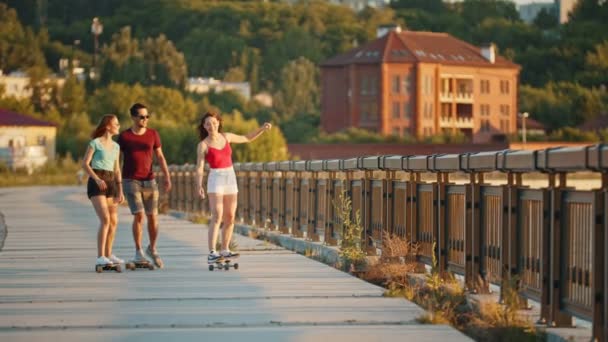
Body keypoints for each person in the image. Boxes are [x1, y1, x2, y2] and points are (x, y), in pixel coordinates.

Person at [195, 111, 272, 263]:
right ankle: (212, 252)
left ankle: (225, 249)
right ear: (204, 126)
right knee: (217, 215)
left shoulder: (227, 137)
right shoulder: (202, 145)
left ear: (219, 123)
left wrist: (261, 129)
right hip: (215, 178)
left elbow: (247, 138)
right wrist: (199, 185)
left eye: (214, 123)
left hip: (230, 177)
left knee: (230, 217)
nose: (212, 126)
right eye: (208, 124)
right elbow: (199, 167)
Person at [118, 103, 172, 268]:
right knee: (139, 215)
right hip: (130, 180)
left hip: (149, 180)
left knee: (153, 217)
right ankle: (138, 250)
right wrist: (117, 183)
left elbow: (160, 157)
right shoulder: (124, 136)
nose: (145, 119)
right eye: (142, 116)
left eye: (147, 116)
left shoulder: (153, 134)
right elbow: (117, 161)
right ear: (133, 117)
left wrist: (167, 176)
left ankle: (152, 248)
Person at [82, 114, 124, 268]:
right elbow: (85, 164)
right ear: (108, 126)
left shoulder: (116, 146)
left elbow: (117, 169)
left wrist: (120, 190)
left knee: (114, 221)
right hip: (97, 181)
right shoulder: (95, 143)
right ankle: (100, 256)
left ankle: (108, 254)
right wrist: (97, 179)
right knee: (105, 219)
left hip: (111, 181)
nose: (118, 126)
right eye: (116, 124)